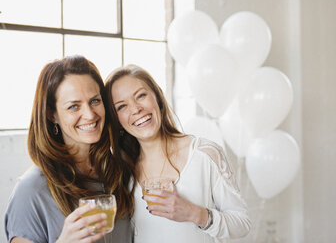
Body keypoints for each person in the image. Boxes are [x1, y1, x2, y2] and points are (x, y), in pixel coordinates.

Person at [104, 64, 251, 243]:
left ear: (157, 97)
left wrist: (194, 213)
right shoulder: (123, 172)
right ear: (116, 120)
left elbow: (242, 224)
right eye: (121, 106)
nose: (135, 109)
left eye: (141, 96)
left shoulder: (204, 154)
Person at [4, 56, 134, 243]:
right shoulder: (32, 191)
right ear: (52, 114)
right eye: (74, 106)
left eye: (95, 101)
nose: (90, 115)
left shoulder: (118, 172)